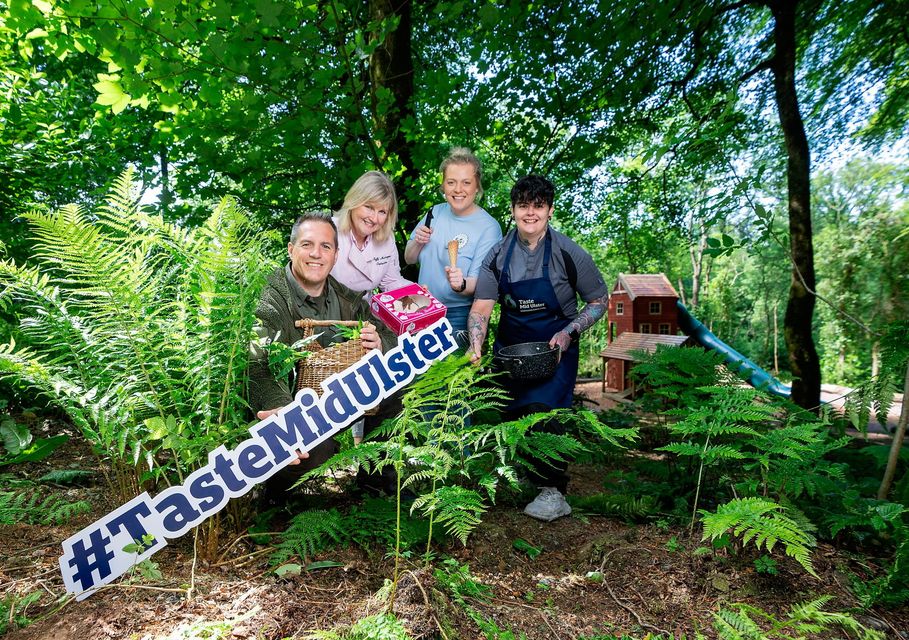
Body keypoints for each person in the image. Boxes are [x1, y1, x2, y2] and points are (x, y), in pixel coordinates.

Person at [467, 175, 609, 522]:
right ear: (513, 210)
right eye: (523, 206)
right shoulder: (498, 255)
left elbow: (598, 300)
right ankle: (519, 478)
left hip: (554, 346)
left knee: (545, 412)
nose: (530, 213)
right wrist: (476, 343)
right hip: (512, 347)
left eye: (538, 206)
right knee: (511, 414)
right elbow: (482, 307)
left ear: (549, 210)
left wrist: (569, 332)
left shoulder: (568, 252)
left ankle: (554, 492)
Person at [249, 212, 397, 497]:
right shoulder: (271, 296)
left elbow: (389, 335)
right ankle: (273, 492)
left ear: (335, 254)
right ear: (291, 249)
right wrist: (282, 414)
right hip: (291, 409)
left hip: (339, 402)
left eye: (325, 246)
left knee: (398, 381)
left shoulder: (347, 299)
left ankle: (376, 480)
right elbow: (259, 360)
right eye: (307, 245)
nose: (316, 254)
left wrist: (380, 343)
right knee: (317, 447)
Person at [331, 171, 411, 444]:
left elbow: (392, 283)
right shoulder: (330, 231)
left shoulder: (385, 240)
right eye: (369, 207)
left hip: (365, 320)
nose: (374, 218)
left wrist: (422, 301)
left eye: (382, 212)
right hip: (327, 318)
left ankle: (377, 473)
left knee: (391, 383)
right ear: (355, 201)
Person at [404, 147, 502, 348]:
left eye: (466, 182)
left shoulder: (488, 227)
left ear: (477, 187)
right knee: (417, 379)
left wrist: (462, 284)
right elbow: (409, 258)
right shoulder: (434, 213)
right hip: (419, 310)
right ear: (443, 186)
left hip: (456, 315)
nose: (458, 189)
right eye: (451, 182)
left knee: (448, 379)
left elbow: (482, 285)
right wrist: (417, 242)